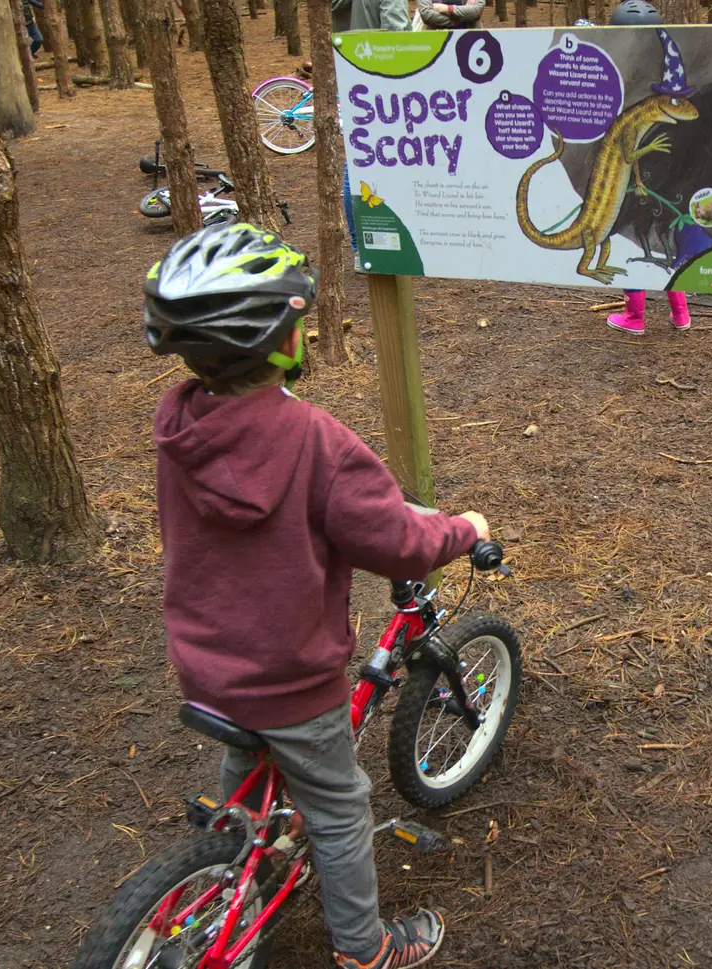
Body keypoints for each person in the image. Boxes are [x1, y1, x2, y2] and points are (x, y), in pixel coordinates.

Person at [145, 223, 489, 969]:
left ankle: (238, 847)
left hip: (206, 662)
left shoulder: (179, 427)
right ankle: (366, 949)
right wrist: (461, 529)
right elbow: (397, 541)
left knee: (253, 772)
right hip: (289, 676)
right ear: (278, 341)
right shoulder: (314, 442)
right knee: (338, 809)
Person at [603, 0, 690, 336]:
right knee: (663, 238)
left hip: (643, 178)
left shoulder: (625, 76)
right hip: (669, 180)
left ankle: (635, 317)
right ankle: (680, 313)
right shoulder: (670, 96)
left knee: (634, 240)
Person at [417, 0, 484, 29]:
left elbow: (476, 11)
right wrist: (458, 20)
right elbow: (426, 15)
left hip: (471, 37)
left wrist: (448, 9)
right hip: (436, 40)